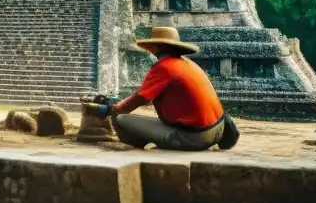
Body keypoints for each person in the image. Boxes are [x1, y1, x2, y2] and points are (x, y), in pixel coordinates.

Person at [89, 26, 237, 151]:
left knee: (121, 118)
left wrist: (113, 108)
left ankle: (135, 146)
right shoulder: (188, 64)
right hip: (217, 129)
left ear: (155, 48)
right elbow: (148, 96)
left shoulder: (164, 67)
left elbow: (140, 99)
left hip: (194, 137)